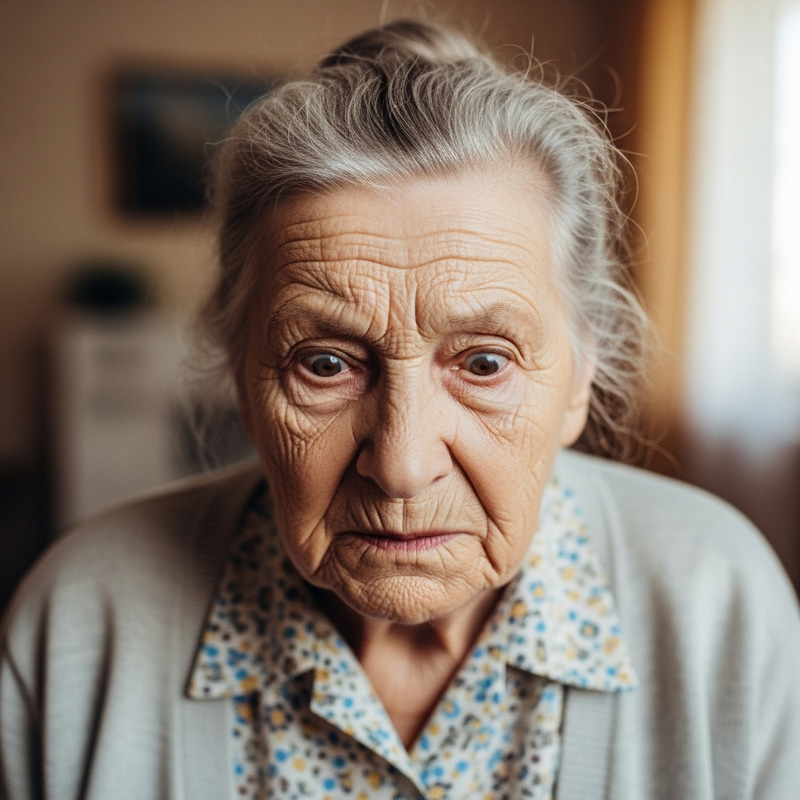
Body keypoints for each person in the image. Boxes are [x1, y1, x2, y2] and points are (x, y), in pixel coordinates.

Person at [2, 19, 799, 800]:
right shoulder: (80, 626)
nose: (402, 465)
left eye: (484, 362)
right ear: (242, 381)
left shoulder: (716, 611)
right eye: (325, 364)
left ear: (581, 377)